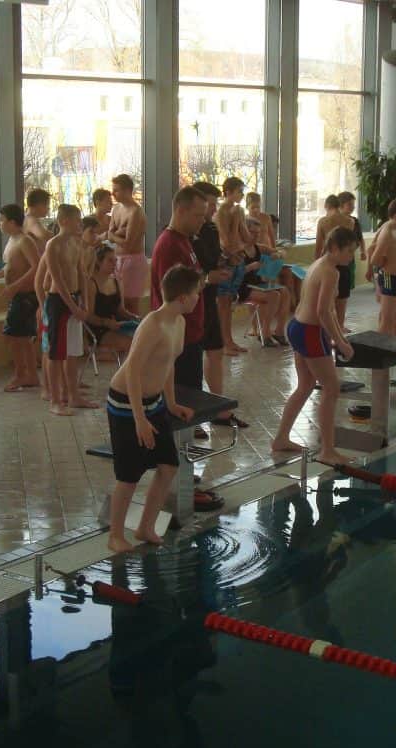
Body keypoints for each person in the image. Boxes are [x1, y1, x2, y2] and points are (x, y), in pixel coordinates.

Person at [106, 265, 200, 553]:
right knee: (129, 475)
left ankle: (146, 526)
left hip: (155, 403)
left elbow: (167, 363)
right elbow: (133, 369)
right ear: (183, 297)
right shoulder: (153, 324)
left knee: (168, 465)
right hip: (126, 403)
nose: (199, 297)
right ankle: (115, 536)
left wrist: (171, 403)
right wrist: (139, 419)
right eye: (197, 292)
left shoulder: (179, 323)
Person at [148, 185, 223, 511]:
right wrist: (208, 280)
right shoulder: (168, 246)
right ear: (180, 211)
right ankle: (172, 476)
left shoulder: (185, 242)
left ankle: (181, 470)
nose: (201, 222)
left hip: (187, 338)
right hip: (175, 343)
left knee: (185, 409)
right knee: (176, 409)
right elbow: (175, 294)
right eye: (197, 216)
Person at [271, 226, 357, 465]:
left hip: (297, 326)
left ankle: (281, 439)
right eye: (349, 251)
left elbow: (327, 309)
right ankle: (327, 450)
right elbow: (323, 311)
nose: (351, 256)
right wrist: (339, 342)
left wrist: (339, 336)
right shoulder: (330, 272)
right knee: (332, 389)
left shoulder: (319, 264)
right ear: (335, 248)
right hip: (309, 331)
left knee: (306, 385)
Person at [190, 181, 242, 433]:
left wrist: (224, 261)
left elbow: (210, 259)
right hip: (190, 303)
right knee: (190, 360)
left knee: (215, 350)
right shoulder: (182, 236)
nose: (211, 211)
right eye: (207, 207)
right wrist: (209, 276)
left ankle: (217, 407)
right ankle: (190, 413)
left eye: (212, 206)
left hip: (206, 297)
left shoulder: (209, 229)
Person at [42, 204, 96, 414]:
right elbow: (57, 280)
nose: (80, 224)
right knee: (56, 354)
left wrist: (85, 302)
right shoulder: (53, 245)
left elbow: (82, 273)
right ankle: (56, 400)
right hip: (58, 301)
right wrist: (73, 307)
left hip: (75, 300)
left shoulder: (76, 243)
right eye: (76, 220)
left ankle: (73, 395)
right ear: (63, 221)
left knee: (73, 352)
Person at [0, 203, 41, 392]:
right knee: (19, 337)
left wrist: (15, 286)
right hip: (17, 295)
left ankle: (23, 374)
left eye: (1, 220)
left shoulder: (25, 241)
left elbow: (36, 267)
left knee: (17, 337)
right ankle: (28, 374)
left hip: (25, 296)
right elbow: (11, 267)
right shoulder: (11, 241)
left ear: (12, 222)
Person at [214, 177, 251, 355]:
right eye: (239, 191)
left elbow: (247, 239)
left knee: (229, 304)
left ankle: (229, 340)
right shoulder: (221, 212)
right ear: (228, 192)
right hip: (227, 261)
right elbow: (227, 242)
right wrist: (236, 221)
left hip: (237, 259)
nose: (242, 195)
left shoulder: (238, 211)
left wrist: (239, 220)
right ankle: (224, 342)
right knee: (223, 304)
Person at [240, 217, 289, 346]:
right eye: (252, 233)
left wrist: (278, 255)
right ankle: (265, 333)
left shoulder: (258, 247)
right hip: (242, 287)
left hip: (257, 284)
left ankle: (279, 331)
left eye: (258, 233)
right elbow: (232, 273)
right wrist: (250, 267)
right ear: (244, 231)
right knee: (273, 295)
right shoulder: (238, 250)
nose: (256, 236)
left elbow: (283, 251)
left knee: (285, 292)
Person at [368, 197, 396, 337]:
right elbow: (374, 258)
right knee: (387, 320)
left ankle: (392, 350)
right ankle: (381, 354)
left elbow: (371, 247)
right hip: (389, 277)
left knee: (394, 318)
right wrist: (383, 268)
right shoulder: (387, 232)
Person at [85, 243, 137, 357]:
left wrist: (135, 318)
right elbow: (88, 316)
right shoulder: (91, 284)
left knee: (146, 336)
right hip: (99, 328)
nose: (114, 264)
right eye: (110, 260)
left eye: (115, 260)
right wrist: (106, 322)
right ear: (98, 262)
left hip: (117, 324)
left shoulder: (117, 282)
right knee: (134, 343)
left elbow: (121, 310)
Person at [107, 174, 148, 316]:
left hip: (133, 260)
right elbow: (109, 234)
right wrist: (119, 232)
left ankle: (135, 335)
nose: (113, 193)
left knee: (131, 304)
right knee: (120, 301)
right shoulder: (116, 209)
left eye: (116, 190)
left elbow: (128, 244)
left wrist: (113, 235)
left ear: (127, 191)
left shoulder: (136, 212)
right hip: (117, 259)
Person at [313, 195, 354, 331]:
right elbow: (350, 246)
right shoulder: (350, 221)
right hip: (344, 264)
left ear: (327, 206)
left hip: (327, 265)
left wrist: (315, 267)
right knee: (342, 301)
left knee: (328, 303)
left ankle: (326, 329)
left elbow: (318, 248)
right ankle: (340, 327)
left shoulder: (323, 222)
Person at [337, 191, 366, 330]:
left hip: (349, 261)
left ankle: (340, 323)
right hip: (336, 262)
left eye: (353, 205)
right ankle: (337, 324)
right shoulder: (333, 221)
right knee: (336, 294)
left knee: (344, 293)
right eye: (350, 205)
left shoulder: (355, 221)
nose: (352, 207)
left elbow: (359, 238)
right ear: (341, 206)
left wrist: (363, 251)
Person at [23, 188, 52, 253]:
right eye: (47, 205)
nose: (48, 208)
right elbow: (44, 235)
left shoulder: (27, 218)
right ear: (40, 205)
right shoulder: (31, 220)